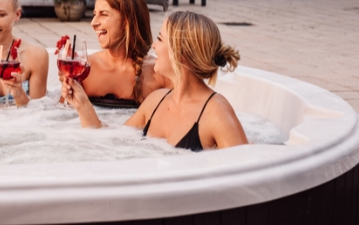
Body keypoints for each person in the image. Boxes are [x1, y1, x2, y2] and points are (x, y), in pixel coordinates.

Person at [62, 11, 248, 151]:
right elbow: (111, 140)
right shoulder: (155, 101)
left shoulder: (216, 113)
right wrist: (82, 105)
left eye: (160, 39)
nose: (154, 46)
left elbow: (244, 180)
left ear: (180, 54)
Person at [72, 0, 172, 108]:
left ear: (126, 21)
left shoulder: (159, 73)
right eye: (94, 14)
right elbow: (60, 117)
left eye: (103, 14)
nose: (93, 23)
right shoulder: (84, 70)